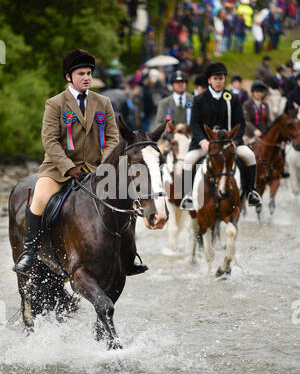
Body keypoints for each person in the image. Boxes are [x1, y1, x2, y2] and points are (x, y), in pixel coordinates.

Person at [13, 49, 147, 277]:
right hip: (58, 170)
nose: (86, 78)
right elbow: (50, 140)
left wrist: (105, 167)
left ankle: (129, 254)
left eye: (89, 73)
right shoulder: (55, 104)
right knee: (39, 199)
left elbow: (113, 138)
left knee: (125, 197)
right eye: (81, 74)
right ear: (69, 77)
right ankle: (29, 252)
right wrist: (68, 166)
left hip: (96, 168)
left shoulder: (103, 102)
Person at [180, 61, 262, 210]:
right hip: (205, 142)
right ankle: (188, 195)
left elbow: (241, 123)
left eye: (221, 78)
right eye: (216, 79)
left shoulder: (232, 98)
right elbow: (195, 124)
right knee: (189, 159)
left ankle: (251, 191)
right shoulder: (199, 99)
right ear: (210, 80)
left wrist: (236, 141)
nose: (219, 82)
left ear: (225, 80)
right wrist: (203, 141)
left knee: (249, 155)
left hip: (228, 142)